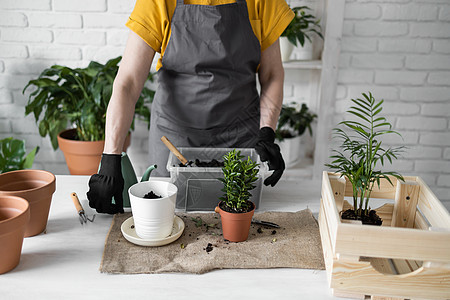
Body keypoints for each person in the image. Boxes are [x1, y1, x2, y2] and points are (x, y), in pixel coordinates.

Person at [87, 0, 294, 214]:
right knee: (167, 217)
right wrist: (110, 157)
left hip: (239, 138)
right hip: (173, 140)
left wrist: (267, 131)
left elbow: (271, 75)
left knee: (238, 219)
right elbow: (128, 82)